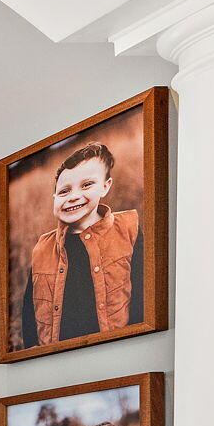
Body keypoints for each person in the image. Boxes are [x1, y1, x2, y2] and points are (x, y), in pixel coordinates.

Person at [12, 142, 144, 353]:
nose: (73, 196)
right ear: (54, 197)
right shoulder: (43, 248)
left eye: (86, 185)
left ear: (105, 186)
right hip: (60, 361)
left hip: (115, 354)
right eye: (64, 191)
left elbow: (142, 299)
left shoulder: (128, 229)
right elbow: (30, 316)